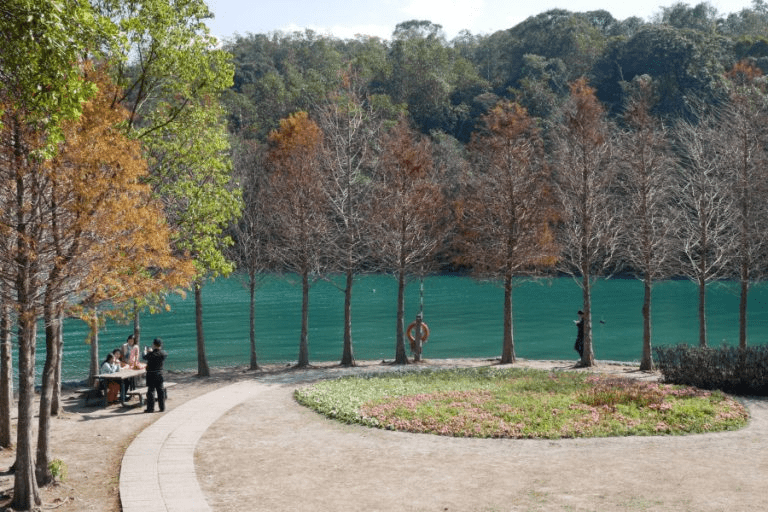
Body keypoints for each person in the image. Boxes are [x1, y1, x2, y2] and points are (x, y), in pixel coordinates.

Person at [142, 338, 167, 413]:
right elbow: (162, 353)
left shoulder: (151, 354)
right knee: (160, 391)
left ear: (153, 344)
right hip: (159, 373)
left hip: (151, 374)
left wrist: (145, 351)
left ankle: (150, 408)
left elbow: (144, 357)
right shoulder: (163, 353)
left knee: (151, 391)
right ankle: (162, 407)